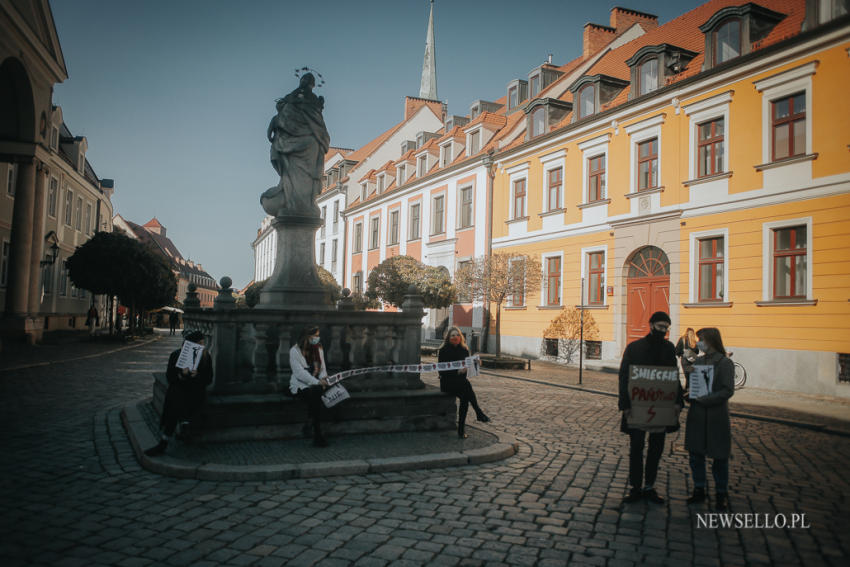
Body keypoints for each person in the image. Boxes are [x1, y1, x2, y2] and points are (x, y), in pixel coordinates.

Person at [618, 311, 682, 504]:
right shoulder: (634, 348)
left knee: (656, 449)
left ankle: (649, 486)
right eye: (660, 326)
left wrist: (679, 401)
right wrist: (625, 405)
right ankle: (635, 487)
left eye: (666, 328)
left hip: (661, 407)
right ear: (651, 325)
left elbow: (673, 375)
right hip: (637, 406)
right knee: (636, 448)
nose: (663, 330)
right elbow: (624, 377)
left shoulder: (669, 348)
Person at [261, 72, 330, 217]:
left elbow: (282, 119)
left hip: (298, 144)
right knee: (299, 174)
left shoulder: (291, 101)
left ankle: (299, 203)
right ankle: (301, 203)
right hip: (311, 141)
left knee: (295, 174)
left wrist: (276, 124)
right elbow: (319, 126)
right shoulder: (310, 103)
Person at [683, 327, 735, 510]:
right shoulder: (699, 361)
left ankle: (721, 492)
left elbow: (727, 390)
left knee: (719, 456)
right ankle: (699, 488)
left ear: (712, 340)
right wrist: (689, 394)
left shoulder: (724, 363)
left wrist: (707, 400)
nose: (699, 342)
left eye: (701, 339)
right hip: (697, 414)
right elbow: (692, 385)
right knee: (696, 455)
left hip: (716, 416)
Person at [145, 330, 213, 456]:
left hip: (196, 392)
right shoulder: (176, 355)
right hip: (180, 390)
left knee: (184, 399)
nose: (202, 346)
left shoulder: (206, 357)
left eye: (203, 343)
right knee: (176, 398)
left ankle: (182, 428)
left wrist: (197, 376)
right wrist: (182, 374)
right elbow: (170, 377)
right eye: (199, 343)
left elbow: (208, 378)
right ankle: (166, 439)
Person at [438, 327, 490, 439]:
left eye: (457, 335)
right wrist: (457, 371)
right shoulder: (443, 350)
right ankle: (477, 413)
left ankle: (462, 428)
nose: (455, 337)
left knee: (465, 397)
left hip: (460, 382)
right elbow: (441, 370)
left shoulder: (464, 350)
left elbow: (469, 366)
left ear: (460, 336)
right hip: (448, 382)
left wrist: (476, 364)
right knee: (466, 387)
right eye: (452, 335)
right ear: (448, 338)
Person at [289, 326, 329, 447]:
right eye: (315, 336)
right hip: (301, 385)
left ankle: (311, 423)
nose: (317, 338)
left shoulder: (319, 348)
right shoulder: (295, 351)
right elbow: (299, 373)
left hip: (317, 383)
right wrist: (317, 382)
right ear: (306, 336)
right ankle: (317, 433)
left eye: (318, 335)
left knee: (316, 395)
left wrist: (322, 378)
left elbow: (322, 368)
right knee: (315, 395)